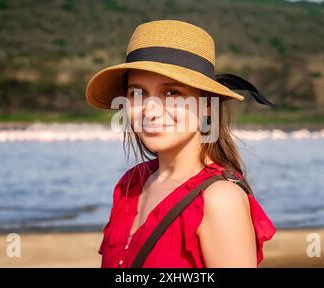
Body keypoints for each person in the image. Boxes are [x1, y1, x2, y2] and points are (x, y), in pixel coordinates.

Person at [86, 19, 276, 268]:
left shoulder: (219, 199)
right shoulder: (130, 184)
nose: (149, 111)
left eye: (171, 93)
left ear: (207, 104)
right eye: (137, 93)